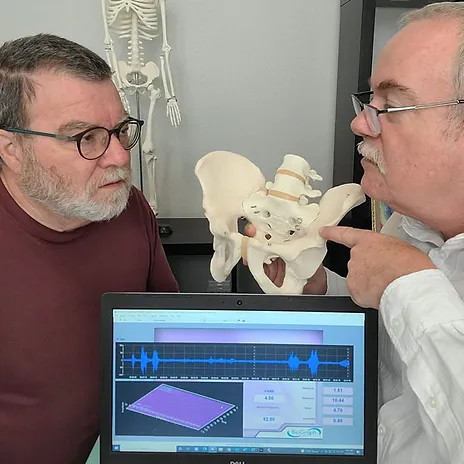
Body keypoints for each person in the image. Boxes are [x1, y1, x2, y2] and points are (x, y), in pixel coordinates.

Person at [249, 2, 464, 463]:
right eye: (369, 103)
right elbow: (392, 349)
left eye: (390, 106)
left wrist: (409, 286)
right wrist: (324, 288)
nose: (360, 123)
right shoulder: (408, 223)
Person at [0, 34, 179, 463]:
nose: (119, 156)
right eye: (86, 137)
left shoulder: (129, 208)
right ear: (12, 149)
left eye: (120, 130)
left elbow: (170, 333)